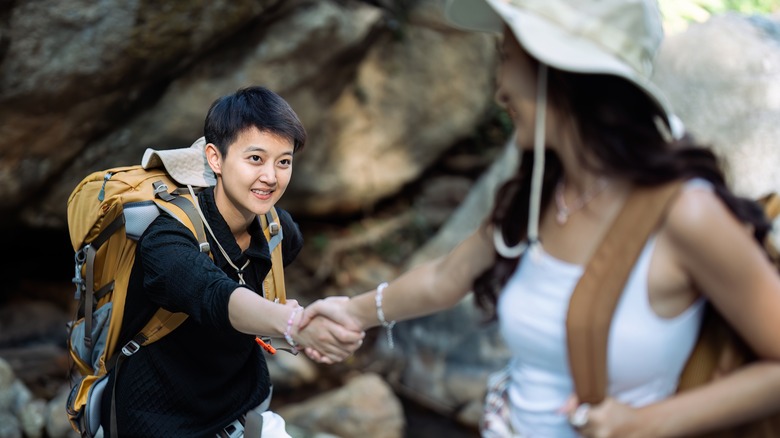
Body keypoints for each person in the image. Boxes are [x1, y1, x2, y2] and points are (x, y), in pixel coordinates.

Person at [299, 0, 780, 436]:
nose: (500, 89)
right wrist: (353, 312)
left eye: (507, 59)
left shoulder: (685, 213)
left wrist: (645, 424)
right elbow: (447, 278)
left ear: (558, 70)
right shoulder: (544, 193)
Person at [100, 85, 365, 437]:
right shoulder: (167, 238)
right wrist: (294, 323)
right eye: (255, 159)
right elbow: (214, 295)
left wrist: (289, 326)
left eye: (283, 161)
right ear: (215, 158)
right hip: (158, 419)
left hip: (243, 409)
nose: (271, 177)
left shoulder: (277, 229)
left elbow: (249, 297)